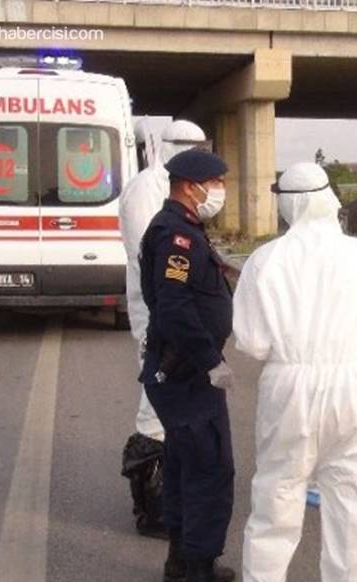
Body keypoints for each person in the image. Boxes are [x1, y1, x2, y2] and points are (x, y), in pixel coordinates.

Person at [234, 162, 357, 582]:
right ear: (329, 199)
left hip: (288, 389)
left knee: (274, 506)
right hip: (353, 388)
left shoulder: (264, 260)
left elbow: (252, 342)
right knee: (352, 513)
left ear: (286, 204)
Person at [139, 148, 240, 582]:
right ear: (190, 185)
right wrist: (210, 361)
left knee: (182, 464)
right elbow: (174, 307)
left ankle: (182, 560)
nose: (218, 191)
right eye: (215, 183)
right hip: (187, 374)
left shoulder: (184, 228)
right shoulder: (177, 235)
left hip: (179, 373)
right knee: (209, 471)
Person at [119, 120, 208, 540]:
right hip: (157, 314)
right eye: (187, 145)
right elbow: (153, 262)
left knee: (170, 404)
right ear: (168, 147)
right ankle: (151, 506)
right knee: (155, 406)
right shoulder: (144, 191)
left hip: (174, 313)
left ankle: (167, 495)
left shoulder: (178, 190)